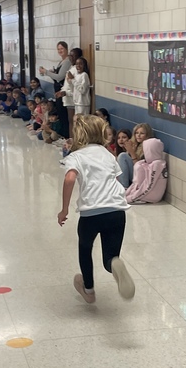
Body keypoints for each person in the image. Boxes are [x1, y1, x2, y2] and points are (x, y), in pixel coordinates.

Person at [58, 114, 135, 304]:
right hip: (117, 211)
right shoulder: (107, 154)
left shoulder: (76, 156)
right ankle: (114, 265)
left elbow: (69, 179)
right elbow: (116, 180)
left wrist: (64, 209)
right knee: (110, 256)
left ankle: (89, 290)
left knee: (85, 248)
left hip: (91, 213)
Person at [125, 137, 168, 204]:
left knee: (139, 167)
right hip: (143, 192)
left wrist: (131, 198)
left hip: (152, 196)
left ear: (150, 150)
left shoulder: (158, 164)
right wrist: (126, 194)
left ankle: (135, 196)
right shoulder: (150, 163)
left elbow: (148, 185)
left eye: (145, 150)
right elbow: (136, 183)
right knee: (139, 165)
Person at [117, 122, 154, 188]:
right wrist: (129, 151)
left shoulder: (148, 147)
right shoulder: (135, 144)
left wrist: (132, 153)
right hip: (133, 175)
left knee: (122, 156)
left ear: (147, 135)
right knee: (122, 156)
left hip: (142, 177)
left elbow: (140, 169)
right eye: (137, 133)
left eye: (142, 133)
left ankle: (124, 187)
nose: (138, 135)